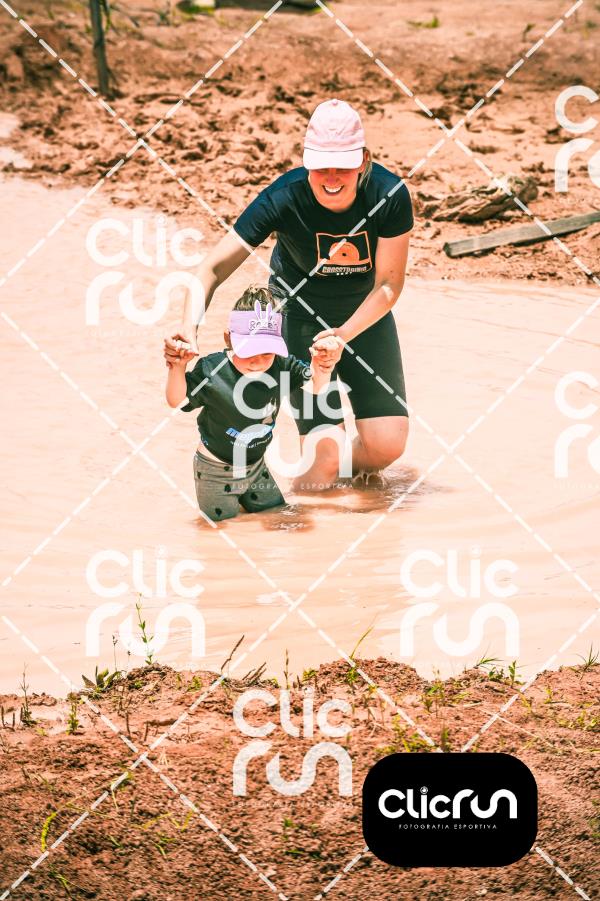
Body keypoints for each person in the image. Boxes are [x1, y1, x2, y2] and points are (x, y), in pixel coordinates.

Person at [169, 98, 413, 490]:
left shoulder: (390, 195)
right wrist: (188, 329)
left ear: (363, 160)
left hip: (365, 316)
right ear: (305, 160)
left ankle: (332, 483)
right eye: (320, 165)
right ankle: (305, 508)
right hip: (298, 317)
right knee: (324, 456)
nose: (331, 177)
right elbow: (211, 269)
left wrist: (343, 335)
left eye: (343, 166)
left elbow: (389, 284)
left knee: (387, 445)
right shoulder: (284, 196)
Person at [165, 285, 343, 521]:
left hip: (257, 466)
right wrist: (177, 368)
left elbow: (315, 387)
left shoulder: (281, 365)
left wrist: (322, 365)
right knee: (220, 529)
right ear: (228, 338)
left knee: (277, 516)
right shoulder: (212, 370)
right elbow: (177, 401)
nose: (257, 362)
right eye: (249, 351)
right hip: (215, 470)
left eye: (266, 353)